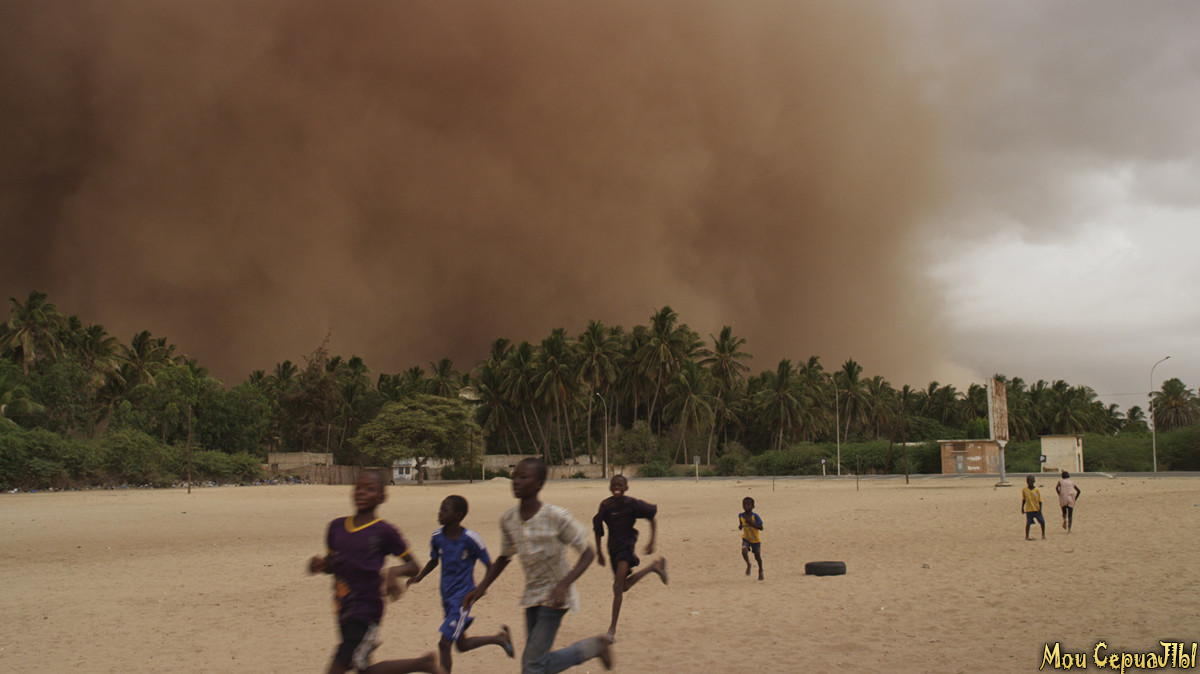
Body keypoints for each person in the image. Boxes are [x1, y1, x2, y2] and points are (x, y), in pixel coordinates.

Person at [463, 457, 613, 673]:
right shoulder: (509, 519)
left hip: (555, 598)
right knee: (537, 663)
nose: (516, 481)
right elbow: (505, 557)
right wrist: (481, 587)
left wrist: (563, 585)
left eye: (524, 477)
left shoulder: (555, 516)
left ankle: (595, 646)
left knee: (532, 665)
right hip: (531, 596)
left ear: (539, 484)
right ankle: (595, 646)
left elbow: (587, 553)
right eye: (515, 476)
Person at [308, 469, 444, 674]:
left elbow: (413, 566)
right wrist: (320, 565)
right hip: (343, 608)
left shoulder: (384, 531)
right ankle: (422, 664)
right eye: (359, 487)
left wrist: (392, 573)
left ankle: (423, 664)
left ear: (382, 497)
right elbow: (334, 564)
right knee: (364, 669)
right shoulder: (335, 527)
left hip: (367, 610)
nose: (362, 492)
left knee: (340, 663)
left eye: (370, 489)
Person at [406, 495, 514, 672]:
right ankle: (500, 638)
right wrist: (419, 577)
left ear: (458, 515)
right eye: (440, 509)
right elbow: (434, 561)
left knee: (444, 643)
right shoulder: (437, 537)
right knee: (462, 645)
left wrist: (480, 589)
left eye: (445, 510)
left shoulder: (471, 539)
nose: (439, 513)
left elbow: (490, 566)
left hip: (463, 599)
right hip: (446, 597)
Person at [592, 474, 668, 640]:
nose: (616, 488)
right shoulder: (605, 506)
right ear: (610, 487)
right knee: (622, 587)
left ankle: (611, 630)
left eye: (620, 485)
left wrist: (652, 541)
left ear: (626, 488)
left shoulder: (631, 504)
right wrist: (599, 552)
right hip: (613, 549)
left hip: (626, 548)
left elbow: (651, 517)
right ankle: (653, 567)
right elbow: (597, 529)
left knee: (618, 585)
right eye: (614, 485)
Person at [739, 496, 764, 580]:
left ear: (753, 506)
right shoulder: (741, 515)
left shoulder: (755, 516)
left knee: (757, 556)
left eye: (748, 505)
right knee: (744, 551)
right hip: (746, 538)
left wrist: (752, 524)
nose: (746, 506)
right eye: (744, 505)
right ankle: (748, 564)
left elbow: (761, 528)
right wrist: (740, 526)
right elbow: (741, 523)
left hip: (755, 540)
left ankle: (760, 569)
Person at [1022, 474, 1046, 540]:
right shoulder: (1024, 490)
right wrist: (1022, 508)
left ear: (1034, 481)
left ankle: (1043, 534)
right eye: (1028, 481)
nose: (1029, 482)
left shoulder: (1037, 490)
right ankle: (1027, 536)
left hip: (1036, 509)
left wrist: (1040, 509)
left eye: (1031, 480)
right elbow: (1024, 499)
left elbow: (1040, 500)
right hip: (1029, 510)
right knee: (1028, 523)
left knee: (1042, 522)